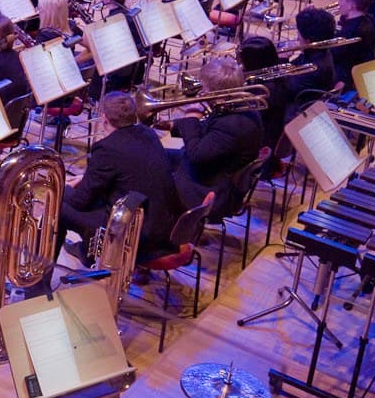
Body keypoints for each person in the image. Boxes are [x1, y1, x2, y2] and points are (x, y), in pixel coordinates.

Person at [59, 91, 182, 263]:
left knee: (58, 204)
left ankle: (39, 282)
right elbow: (126, 171)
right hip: (163, 226)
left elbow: (81, 202)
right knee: (93, 195)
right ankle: (88, 250)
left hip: (135, 234)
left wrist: (64, 189)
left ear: (104, 119)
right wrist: (87, 178)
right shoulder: (149, 134)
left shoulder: (106, 148)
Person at [171, 59, 264, 222]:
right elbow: (208, 131)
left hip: (210, 190)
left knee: (152, 177)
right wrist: (173, 125)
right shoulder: (240, 105)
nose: (201, 92)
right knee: (155, 152)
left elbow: (196, 155)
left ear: (216, 92)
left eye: (204, 87)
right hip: (213, 171)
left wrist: (190, 118)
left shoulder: (232, 124)